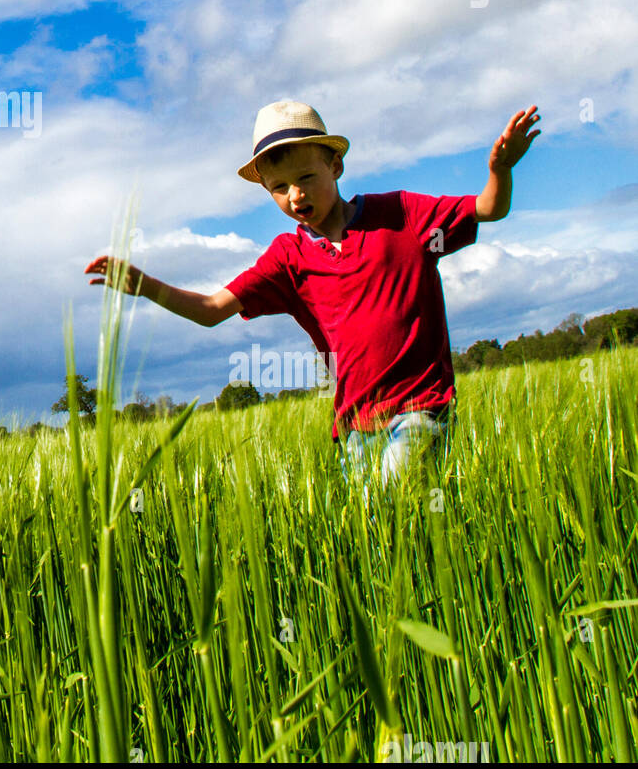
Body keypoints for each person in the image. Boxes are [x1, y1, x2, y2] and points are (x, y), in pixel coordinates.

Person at [84, 99, 540, 487]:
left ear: (335, 165)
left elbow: (488, 209)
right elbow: (210, 310)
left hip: (422, 409)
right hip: (355, 428)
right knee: (376, 542)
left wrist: (500, 169)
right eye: (279, 188)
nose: (295, 195)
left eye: (305, 177)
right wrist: (146, 287)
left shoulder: (401, 213)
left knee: (391, 503)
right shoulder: (289, 258)